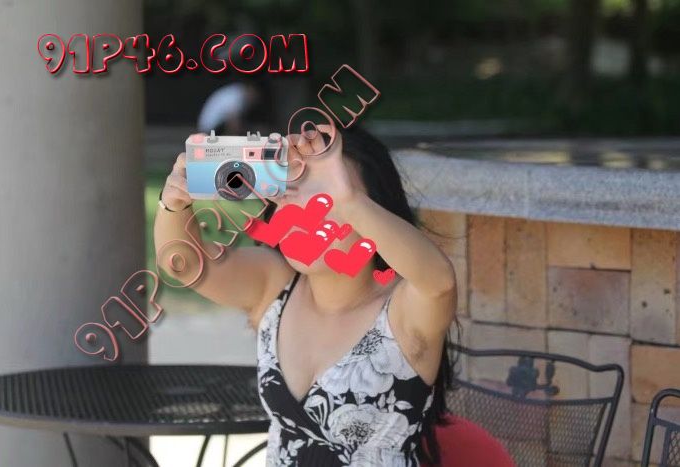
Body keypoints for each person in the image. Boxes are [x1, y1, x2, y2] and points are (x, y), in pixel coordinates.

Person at [154, 125, 458, 466]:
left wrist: (348, 199)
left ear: (373, 210)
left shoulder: (404, 310)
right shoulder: (274, 286)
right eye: (293, 190)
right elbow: (183, 263)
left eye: (325, 197)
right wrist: (174, 204)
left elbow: (440, 282)